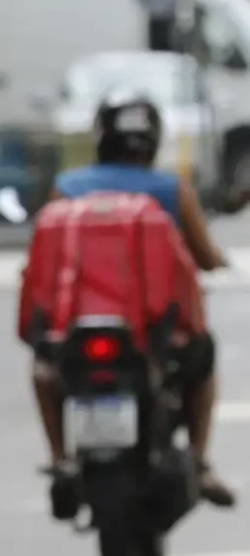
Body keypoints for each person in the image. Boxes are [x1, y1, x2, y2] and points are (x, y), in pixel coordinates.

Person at [39, 90, 235, 508]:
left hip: (75, 329)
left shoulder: (67, 188)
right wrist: (217, 261)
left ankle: (58, 459)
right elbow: (204, 255)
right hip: (153, 332)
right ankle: (200, 462)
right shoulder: (170, 190)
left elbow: (43, 260)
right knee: (204, 359)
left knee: (44, 368)